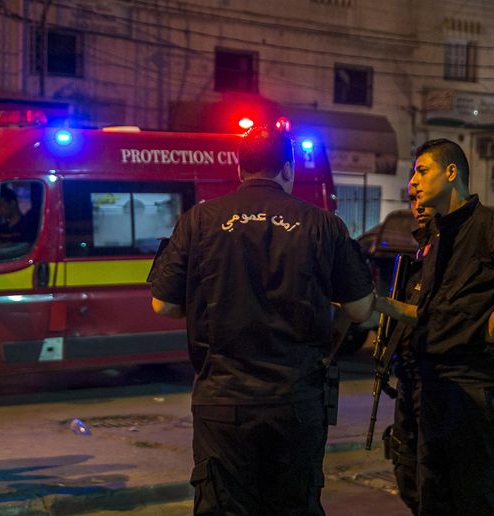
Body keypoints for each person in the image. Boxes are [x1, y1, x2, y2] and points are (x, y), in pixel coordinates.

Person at [149, 125, 375, 515]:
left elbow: (163, 306)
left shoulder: (198, 221)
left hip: (223, 401)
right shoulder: (323, 225)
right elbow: (359, 309)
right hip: (296, 400)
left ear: (240, 169)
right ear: (289, 169)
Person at [377, 139, 494, 515]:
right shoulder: (438, 238)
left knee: (480, 497)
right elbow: (431, 313)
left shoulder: (489, 226)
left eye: (422, 171)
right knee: (434, 496)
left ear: (451, 172)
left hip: (473, 387)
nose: (413, 183)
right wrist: (377, 304)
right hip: (433, 386)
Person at [384, 184, 436, 515]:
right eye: (412, 200)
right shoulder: (417, 257)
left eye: (422, 198)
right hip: (407, 378)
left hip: (433, 381)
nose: (417, 206)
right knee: (405, 469)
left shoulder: (449, 254)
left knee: (430, 476)